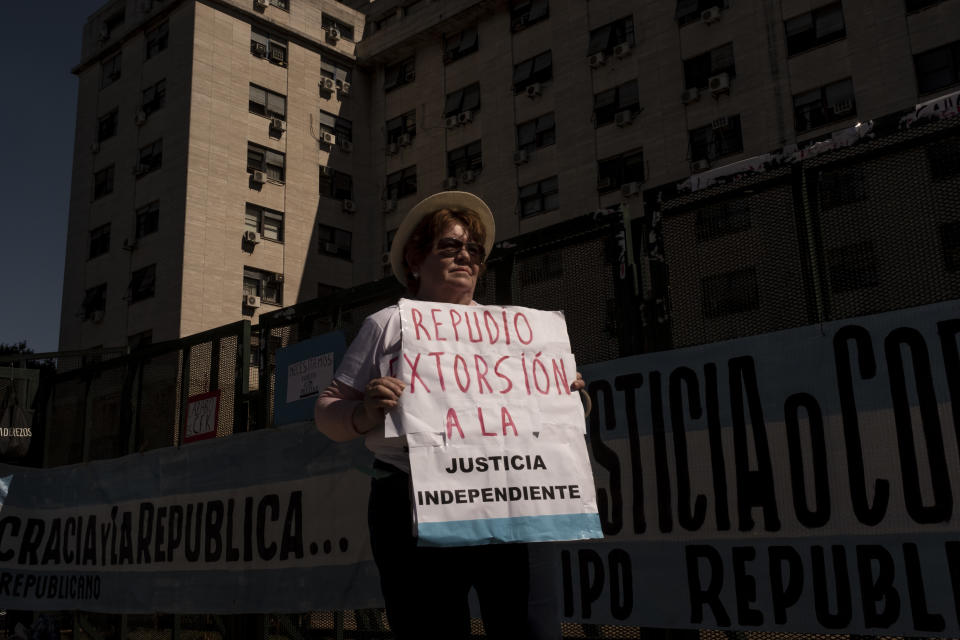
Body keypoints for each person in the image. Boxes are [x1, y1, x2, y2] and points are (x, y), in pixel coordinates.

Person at [315, 191, 584, 640]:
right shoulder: (388, 324)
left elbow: (558, 419)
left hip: (514, 500)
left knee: (531, 627)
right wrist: (363, 413)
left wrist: (573, 398)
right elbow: (328, 411)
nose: (466, 256)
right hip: (414, 503)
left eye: (473, 250)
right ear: (415, 260)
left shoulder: (517, 332)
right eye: (450, 246)